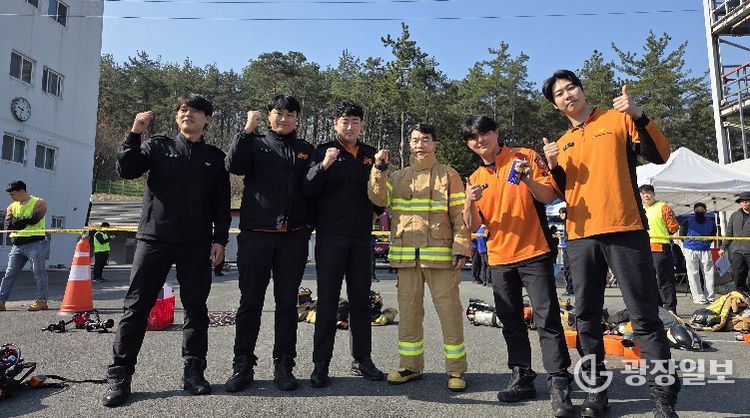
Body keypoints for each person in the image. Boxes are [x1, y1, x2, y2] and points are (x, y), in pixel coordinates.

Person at [541, 70, 679, 417]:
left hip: (625, 228)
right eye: (559, 94)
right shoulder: (562, 142)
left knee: (644, 316)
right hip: (581, 237)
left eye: (571, 87)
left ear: (582, 89)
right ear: (556, 105)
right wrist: (553, 166)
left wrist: (638, 114)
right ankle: (595, 392)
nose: (567, 95)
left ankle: (662, 396)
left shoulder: (617, 118)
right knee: (586, 317)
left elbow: (660, 154)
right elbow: (562, 193)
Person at [102, 94, 231, 407]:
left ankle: (194, 373)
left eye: (196, 111)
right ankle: (120, 376)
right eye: (183, 111)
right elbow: (126, 169)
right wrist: (135, 133)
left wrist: (220, 240)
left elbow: (221, 203)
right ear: (176, 117)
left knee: (196, 310)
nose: (188, 115)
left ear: (207, 119)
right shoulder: (157, 146)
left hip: (196, 243)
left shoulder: (215, 158)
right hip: (154, 239)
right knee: (136, 308)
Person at [462, 116, 575, 418]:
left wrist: (526, 179)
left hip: (534, 251)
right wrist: (469, 201)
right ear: (469, 144)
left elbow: (549, 196)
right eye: (472, 137)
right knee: (510, 321)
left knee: (547, 319)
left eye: (484, 133)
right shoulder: (474, 178)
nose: (479, 140)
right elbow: (473, 225)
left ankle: (559, 381)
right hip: (499, 258)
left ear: (496, 133)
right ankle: (522, 375)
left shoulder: (525, 156)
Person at [368, 123, 471, 392]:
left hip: (440, 257)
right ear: (409, 145)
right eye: (415, 140)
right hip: (406, 258)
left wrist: (461, 247)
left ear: (434, 144)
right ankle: (410, 366)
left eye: (425, 139)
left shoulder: (448, 175)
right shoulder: (397, 176)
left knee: (449, 313)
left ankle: (456, 369)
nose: (420, 144)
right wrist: (378, 169)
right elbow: (378, 199)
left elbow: (460, 214)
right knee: (409, 313)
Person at [224, 95, 314, 393]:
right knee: (250, 302)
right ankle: (243, 364)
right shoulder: (255, 142)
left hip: (293, 237)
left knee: (287, 304)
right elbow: (233, 165)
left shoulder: (306, 150)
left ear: (297, 118)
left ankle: (284, 364)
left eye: (290, 114)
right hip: (256, 235)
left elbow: (314, 190)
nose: (284, 119)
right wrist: (246, 130)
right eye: (278, 113)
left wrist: (307, 226)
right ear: (269, 115)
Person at [302, 100, 385, 388]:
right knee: (327, 302)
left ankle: (362, 359)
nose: (350, 127)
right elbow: (307, 188)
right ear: (335, 124)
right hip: (330, 236)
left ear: (361, 125)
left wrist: (377, 208)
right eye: (344, 121)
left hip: (361, 237)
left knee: (361, 301)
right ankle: (320, 364)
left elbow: (380, 196)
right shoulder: (323, 151)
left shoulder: (371, 154)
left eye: (355, 121)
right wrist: (324, 165)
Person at [0, 180, 49, 312]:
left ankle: (42, 301)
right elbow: (9, 224)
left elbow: (35, 219)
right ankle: (1, 301)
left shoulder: (39, 203)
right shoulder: (11, 207)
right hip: (18, 245)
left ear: (22, 191)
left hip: (36, 243)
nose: (11, 197)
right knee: (9, 273)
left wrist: (19, 221)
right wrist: (21, 222)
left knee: (39, 272)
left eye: (13, 194)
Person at [639, 184, 680, 313]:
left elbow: (674, 226)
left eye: (649, 193)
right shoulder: (640, 209)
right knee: (649, 280)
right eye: (643, 193)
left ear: (654, 194)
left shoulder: (663, 206)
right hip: (644, 248)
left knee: (665, 279)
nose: (646, 195)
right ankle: (657, 307)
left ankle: (670, 308)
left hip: (661, 247)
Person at [680, 202, 717, 304]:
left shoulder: (711, 223)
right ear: (694, 210)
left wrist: (705, 243)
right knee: (693, 274)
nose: (699, 211)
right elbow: (682, 235)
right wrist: (689, 244)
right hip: (690, 249)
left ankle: (710, 297)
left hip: (705, 249)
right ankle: (698, 297)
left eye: (702, 209)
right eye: (697, 209)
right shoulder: (687, 222)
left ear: (705, 210)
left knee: (709, 274)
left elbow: (713, 236)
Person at [719, 191, 750, 294]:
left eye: (748, 201)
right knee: (737, 276)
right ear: (740, 203)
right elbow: (729, 233)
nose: (746, 203)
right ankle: (741, 295)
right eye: (743, 201)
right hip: (737, 251)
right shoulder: (734, 215)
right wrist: (723, 248)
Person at [558, 207, 573, 295]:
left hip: (569, 246)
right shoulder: (564, 223)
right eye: (560, 213)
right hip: (565, 247)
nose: (562, 215)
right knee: (566, 269)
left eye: (563, 213)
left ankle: (570, 288)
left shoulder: (569, 222)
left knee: (569, 269)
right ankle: (569, 288)